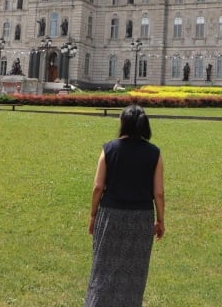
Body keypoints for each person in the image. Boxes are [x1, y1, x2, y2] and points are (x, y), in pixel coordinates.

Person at [85, 105, 165, 306]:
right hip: (141, 218)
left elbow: (97, 187)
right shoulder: (154, 153)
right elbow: (159, 193)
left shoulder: (109, 149)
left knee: (103, 268)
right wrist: (160, 220)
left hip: (110, 215)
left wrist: (93, 215)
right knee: (135, 272)